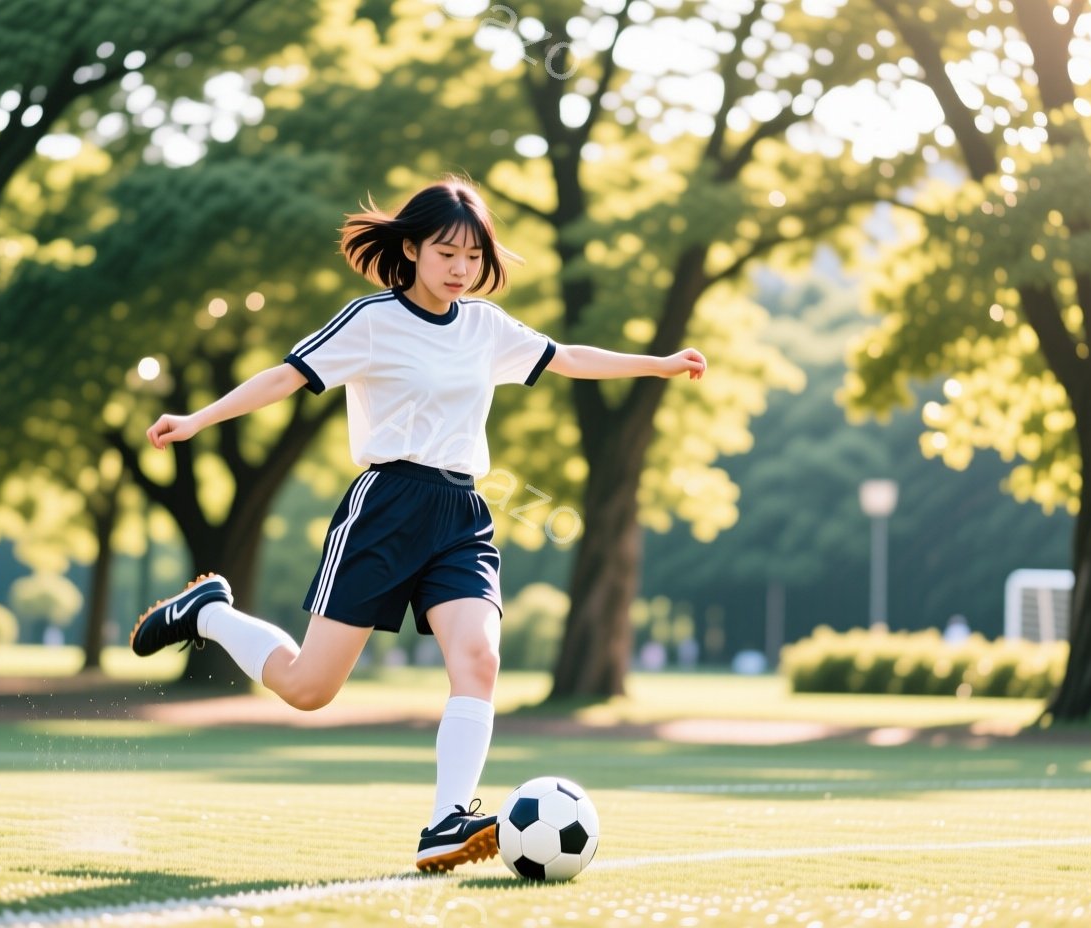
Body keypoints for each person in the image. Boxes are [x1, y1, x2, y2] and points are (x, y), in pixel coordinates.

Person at [126, 179, 707, 872]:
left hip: (463, 513)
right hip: (386, 507)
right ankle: (211, 613)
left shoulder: (486, 326)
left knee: (479, 659)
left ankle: (444, 822)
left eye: (472, 254)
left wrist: (660, 364)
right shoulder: (372, 320)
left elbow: (569, 357)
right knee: (310, 689)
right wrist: (196, 420)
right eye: (446, 251)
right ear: (411, 248)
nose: (460, 267)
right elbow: (286, 377)